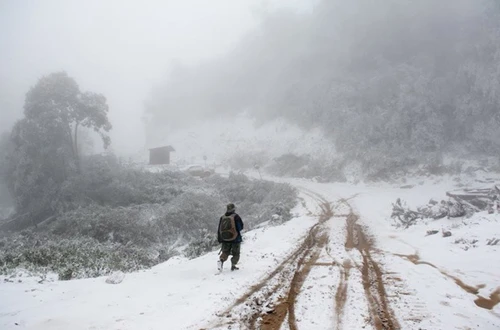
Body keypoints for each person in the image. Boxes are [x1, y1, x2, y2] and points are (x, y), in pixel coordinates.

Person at [217, 203, 244, 271]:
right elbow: (240, 227)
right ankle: (233, 265)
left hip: (225, 238)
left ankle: (221, 261)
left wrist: (220, 239)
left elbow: (219, 229)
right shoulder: (236, 217)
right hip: (235, 239)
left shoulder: (222, 217)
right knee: (236, 253)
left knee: (225, 252)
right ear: (233, 209)